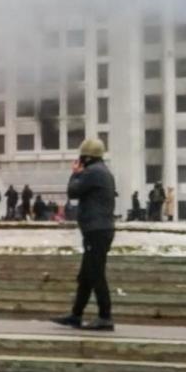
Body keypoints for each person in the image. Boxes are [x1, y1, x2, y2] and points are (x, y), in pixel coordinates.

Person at [53, 139, 116, 331]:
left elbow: (73, 192)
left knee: (95, 274)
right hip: (99, 229)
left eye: (81, 158)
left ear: (86, 157)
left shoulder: (93, 172)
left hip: (96, 230)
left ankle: (105, 317)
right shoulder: (102, 171)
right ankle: (76, 314)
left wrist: (75, 174)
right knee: (86, 275)